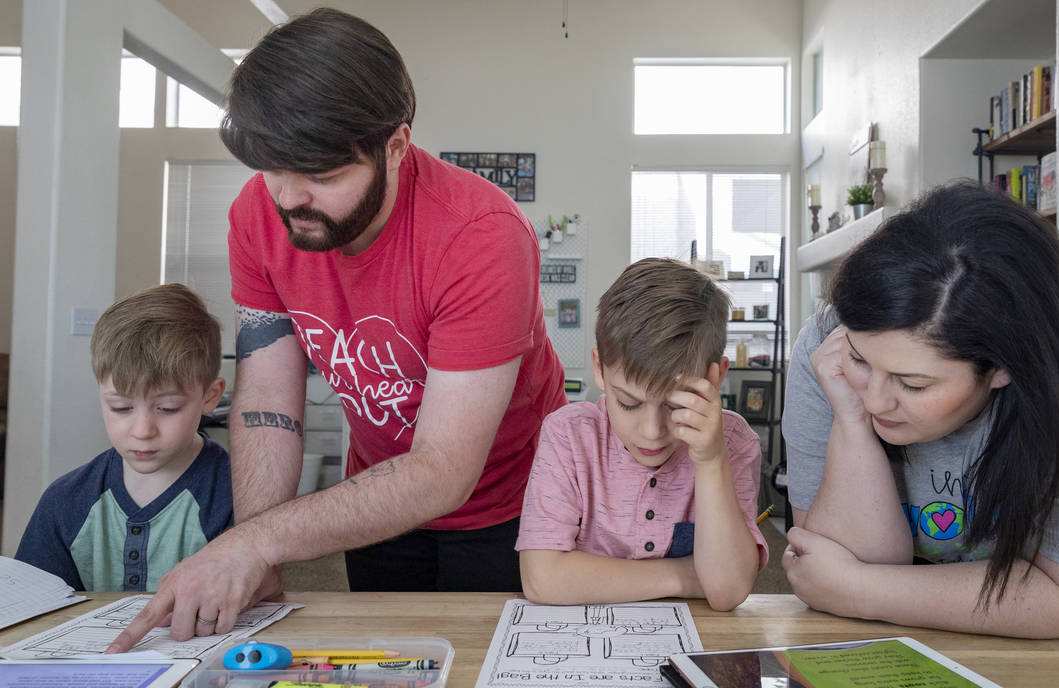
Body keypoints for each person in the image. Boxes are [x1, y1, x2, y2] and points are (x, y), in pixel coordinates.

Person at [107, 8, 564, 651]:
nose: (291, 197)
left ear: (396, 146)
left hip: (514, 506)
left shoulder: (481, 236)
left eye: (322, 177)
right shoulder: (258, 215)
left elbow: (442, 469)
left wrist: (254, 540)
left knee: (489, 673)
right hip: (376, 501)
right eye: (273, 169)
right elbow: (267, 398)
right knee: (398, 664)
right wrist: (259, 552)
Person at [782, 182, 1059, 639]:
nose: (875, 399)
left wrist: (858, 587)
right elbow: (834, 564)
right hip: (907, 573)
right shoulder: (831, 344)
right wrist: (851, 422)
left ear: (1001, 368)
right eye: (861, 362)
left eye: (913, 383)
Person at [517, 258, 767, 611]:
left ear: (715, 377)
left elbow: (726, 590)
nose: (652, 433)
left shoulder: (732, 442)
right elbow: (541, 579)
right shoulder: (568, 434)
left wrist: (711, 462)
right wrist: (686, 576)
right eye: (628, 403)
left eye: (674, 406)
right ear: (599, 368)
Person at [16, 284, 230, 592]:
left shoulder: (235, 498)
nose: (143, 430)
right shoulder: (64, 502)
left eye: (168, 408)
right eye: (121, 407)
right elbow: (31, 608)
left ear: (210, 397)